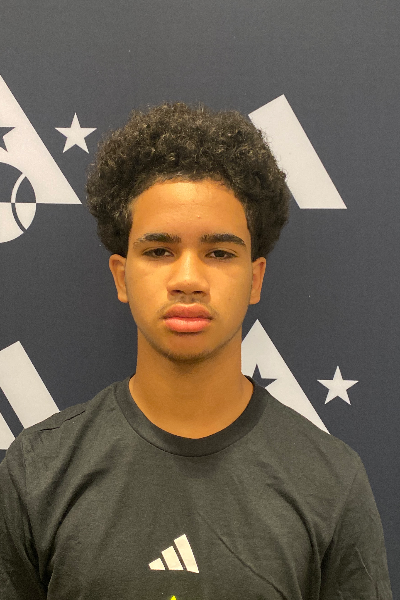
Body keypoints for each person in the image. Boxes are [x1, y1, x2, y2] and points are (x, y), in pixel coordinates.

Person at [0, 102, 392, 599]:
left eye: (219, 253)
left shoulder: (330, 481)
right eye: (159, 251)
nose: (188, 278)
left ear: (255, 279)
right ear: (122, 276)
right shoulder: (38, 471)